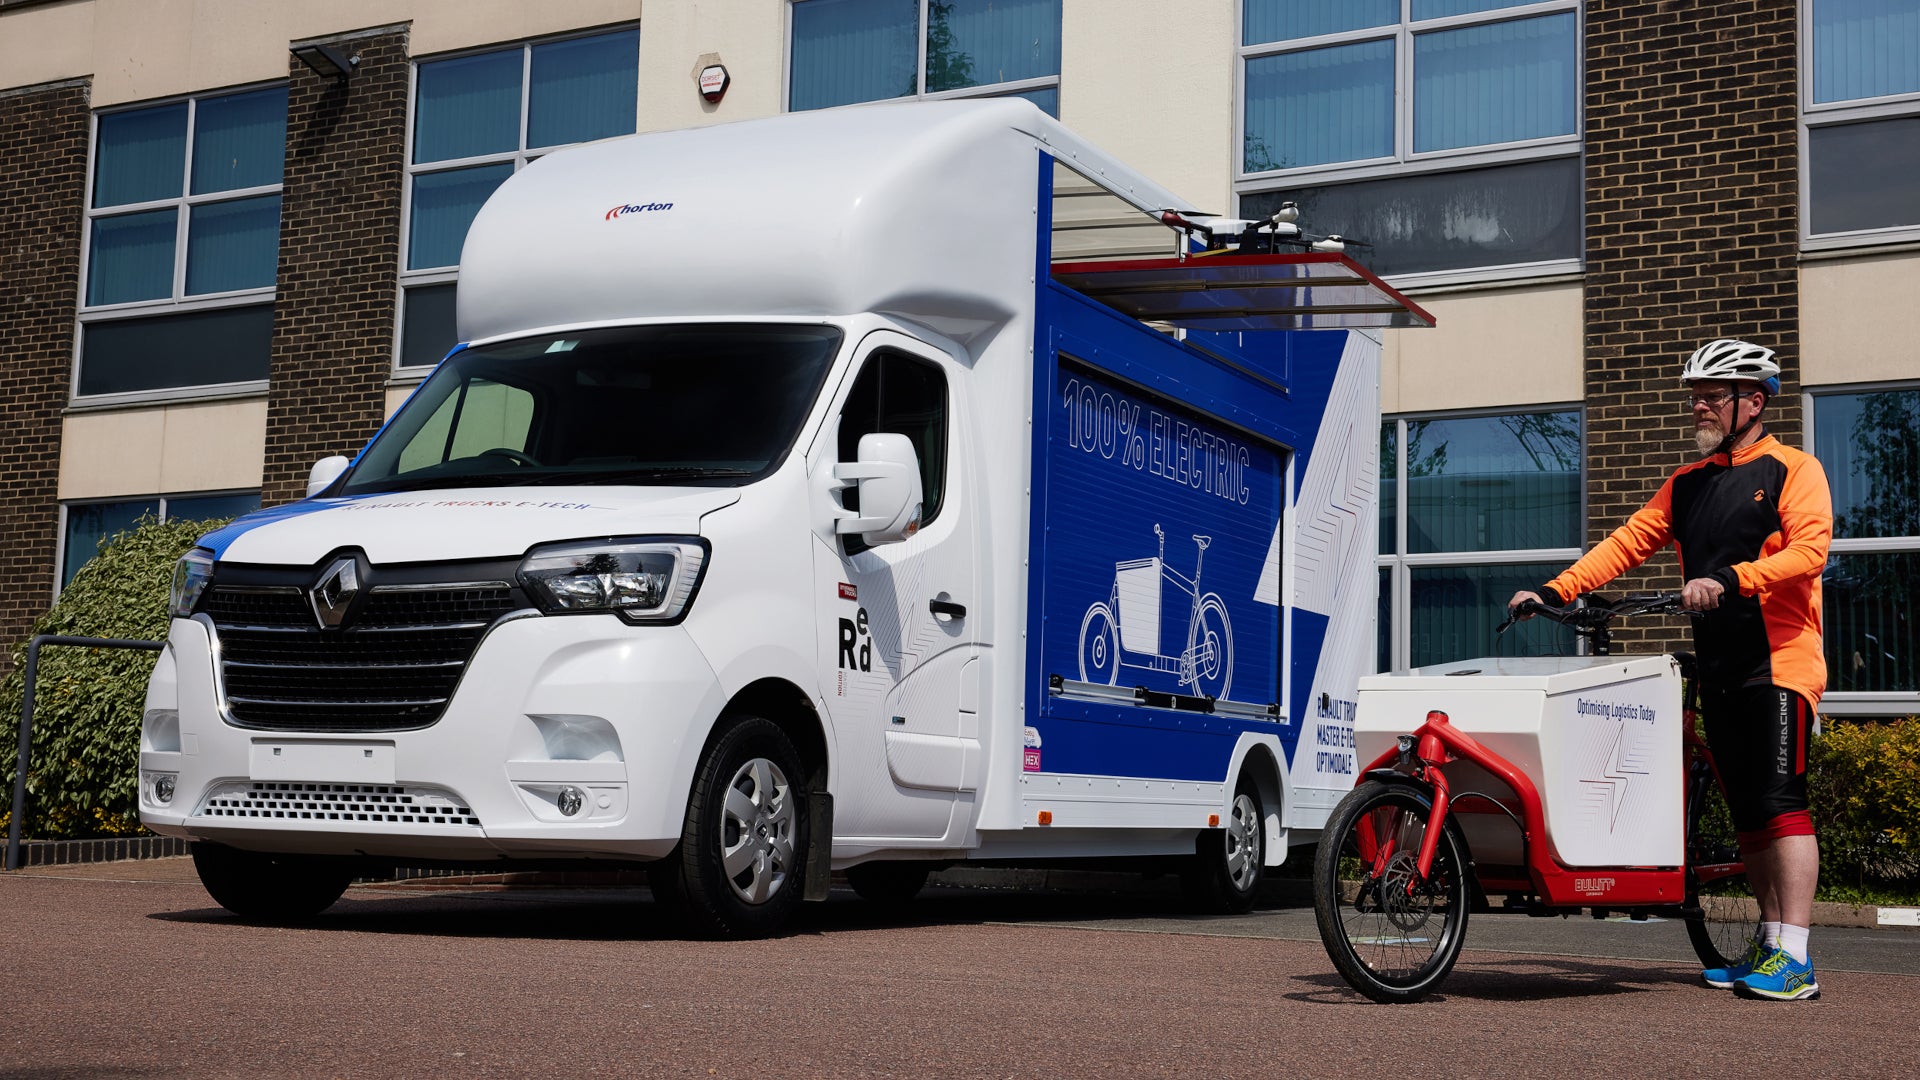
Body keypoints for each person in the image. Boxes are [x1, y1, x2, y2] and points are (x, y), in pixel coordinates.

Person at [1508, 338, 1831, 1001]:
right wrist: (1557, 589)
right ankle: (1769, 947)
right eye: (1697, 395)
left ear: (1754, 401)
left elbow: (1810, 551)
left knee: (1781, 805)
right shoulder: (1687, 484)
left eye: (1711, 395)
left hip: (1781, 662)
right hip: (1720, 666)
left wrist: (1735, 579)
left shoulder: (1795, 469)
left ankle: (1797, 958)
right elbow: (1627, 541)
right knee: (1747, 815)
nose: (1699, 405)